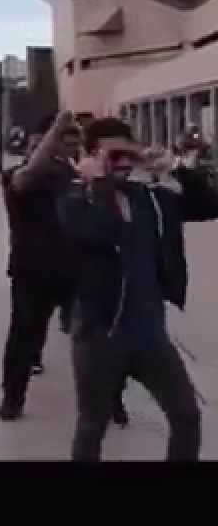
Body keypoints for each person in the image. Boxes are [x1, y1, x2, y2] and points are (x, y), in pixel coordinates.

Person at [60, 117, 218, 461]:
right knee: (92, 426)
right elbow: (101, 231)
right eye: (112, 154)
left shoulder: (150, 198)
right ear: (90, 156)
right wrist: (98, 181)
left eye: (128, 153)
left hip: (150, 337)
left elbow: (210, 205)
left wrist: (174, 169)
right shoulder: (74, 200)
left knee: (187, 417)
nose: (124, 163)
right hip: (100, 335)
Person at [0, 112, 81, 421]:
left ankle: (110, 398)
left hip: (75, 267)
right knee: (24, 335)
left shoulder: (72, 174)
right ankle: (12, 397)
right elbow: (26, 177)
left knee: (98, 333)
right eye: (61, 141)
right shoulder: (18, 174)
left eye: (73, 143)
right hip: (32, 270)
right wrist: (53, 133)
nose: (67, 148)